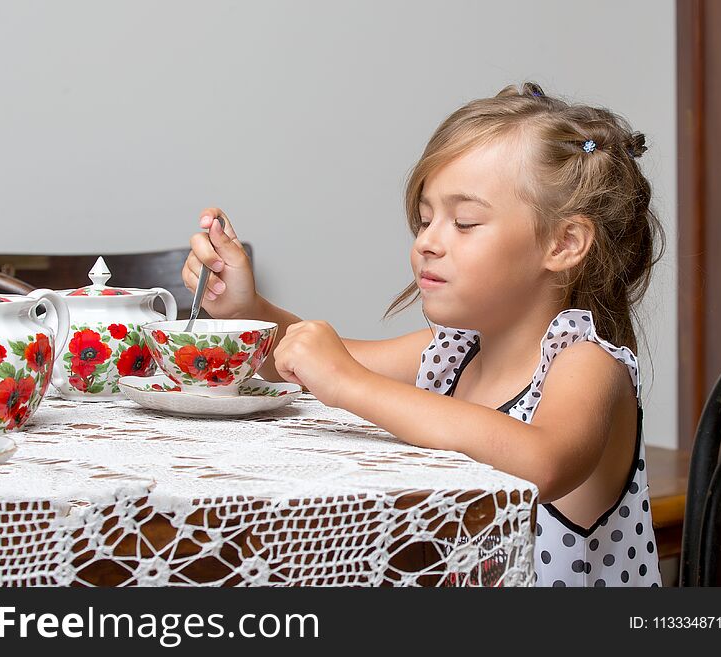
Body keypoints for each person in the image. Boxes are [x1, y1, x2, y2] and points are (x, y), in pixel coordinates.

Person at [182, 82, 664, 587]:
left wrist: (350, 384)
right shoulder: (450, 354)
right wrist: (245, 308)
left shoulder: (589, 363)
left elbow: (540, 463)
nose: (427, 242)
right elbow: (305, 361)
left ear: (564, 243)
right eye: (426, 219)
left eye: (465, 221)